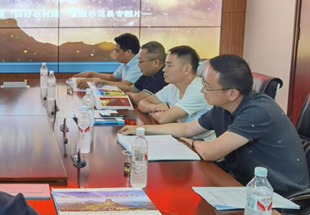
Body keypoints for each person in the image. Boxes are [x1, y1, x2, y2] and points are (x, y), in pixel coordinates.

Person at [119, 54, 308, 196]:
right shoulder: (223, 106)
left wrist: (193, 143)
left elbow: (211, 152)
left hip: (276, 197)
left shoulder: (258, 111)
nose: (202, 91)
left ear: (232, 93)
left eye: (208, 87)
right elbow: (186, 128)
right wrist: (141, 130)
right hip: (242, 185)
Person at [137, 45, 214, 140]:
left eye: (169, 65)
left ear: (187, 69)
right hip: (181, 138)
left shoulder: (199, 90)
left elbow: (163, 118)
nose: (164, 69)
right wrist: (153, 107)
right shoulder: (173, 86)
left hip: (199, 144)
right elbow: (142, 103)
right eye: (165, 65)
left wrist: (152, 112)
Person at [75, 33, 142, 90]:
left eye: (117, 51)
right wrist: (91, 74)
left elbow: (126, 85)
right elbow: (113, 78)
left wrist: (99, 82)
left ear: (128, 52)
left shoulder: (139, 64)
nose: (114, 54)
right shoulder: (126, 62)